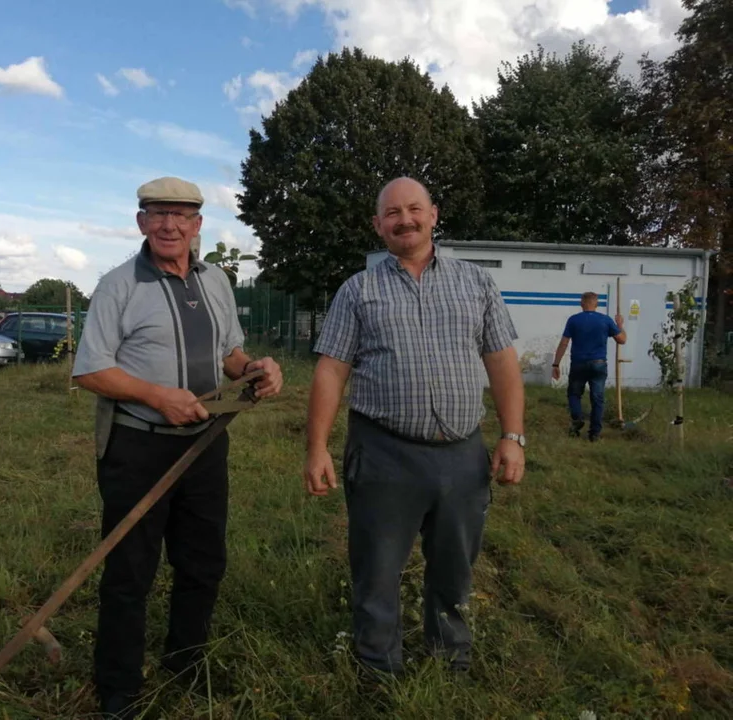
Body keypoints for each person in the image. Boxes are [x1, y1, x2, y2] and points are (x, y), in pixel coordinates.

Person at [72, 176, 283, 718]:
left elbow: (229, 353)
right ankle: (117, 686)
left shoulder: (216, 283)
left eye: (181, 215)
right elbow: (91, 370)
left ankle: (186, 662)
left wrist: (254, 369)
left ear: (198, 226)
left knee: (203, 561)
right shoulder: (119, 286)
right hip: (138, 447)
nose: (170, 225)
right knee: (129, 572)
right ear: (141, 222)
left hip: (206, 445)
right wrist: (156, 396)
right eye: (157, 214)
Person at [302, 177, 526, 676]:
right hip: (383, 453)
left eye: (414, 209)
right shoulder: (358, 290)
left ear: (434, 214)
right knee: (377, 571)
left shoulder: (476, 282)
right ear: (378, 224)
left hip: (462, 455)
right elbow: (331, 369)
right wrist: (316, 447)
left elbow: (502, 362)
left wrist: (513, 436)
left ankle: (451, 663)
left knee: (454, 568)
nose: (405, 219)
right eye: (393, 213)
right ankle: (378, 669)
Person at [551, 292, 626, 441]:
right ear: (596, 304)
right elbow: (622, 340)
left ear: (581, 303)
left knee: (574, 394)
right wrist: (620, 325)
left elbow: (564, 343)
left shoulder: (573, 320)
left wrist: (556, 363)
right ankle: (595, 433)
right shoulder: (605, 320)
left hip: (578, 364)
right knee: (597, 399)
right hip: (599, 364)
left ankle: (577, 418)